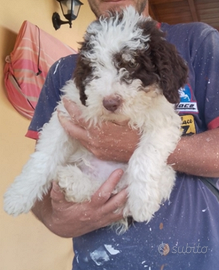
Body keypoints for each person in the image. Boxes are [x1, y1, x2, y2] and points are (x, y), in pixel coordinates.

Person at [26, 0, 219, 269]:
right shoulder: (63, 72)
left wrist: (135, 147)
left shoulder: (198, 41)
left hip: (200, 259)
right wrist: (53, 220)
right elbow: (41, 170)